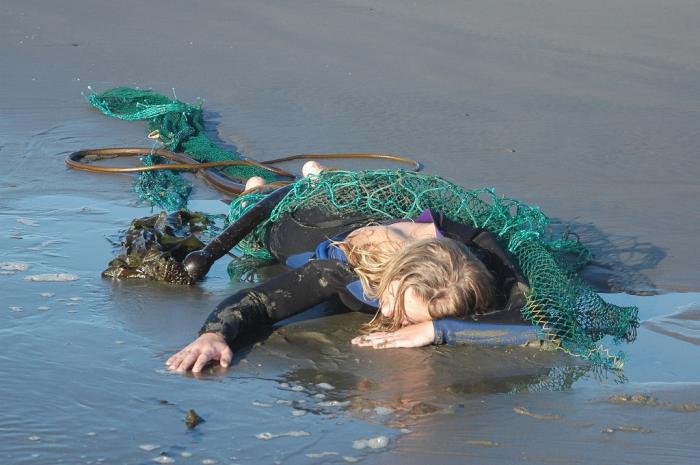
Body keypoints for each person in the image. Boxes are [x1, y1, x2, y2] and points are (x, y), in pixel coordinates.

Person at [166, 162, 538, 373]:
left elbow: (540, 325)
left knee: (343, 199)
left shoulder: (485, 256)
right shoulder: (349, 270)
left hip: (387, 212)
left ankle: (321, 177)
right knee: (274, 230)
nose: (390, 313)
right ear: (391, 277)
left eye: (409, 319)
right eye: (396, 301)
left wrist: (438, 329)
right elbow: (262, 302)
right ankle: (261, 190)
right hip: (314, 225)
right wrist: (214, 334)